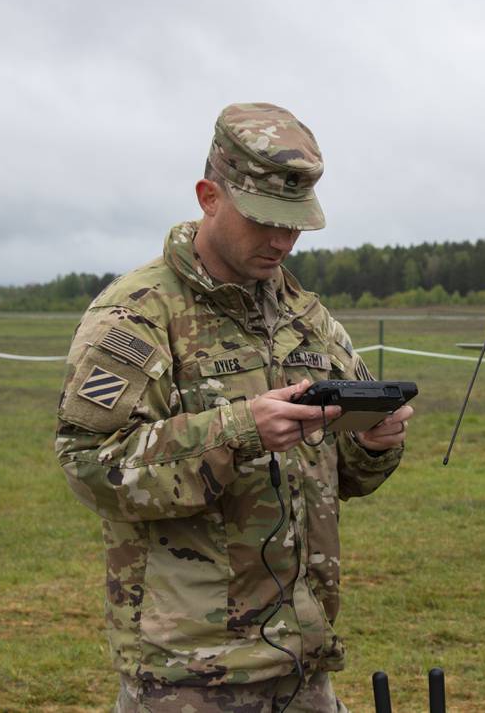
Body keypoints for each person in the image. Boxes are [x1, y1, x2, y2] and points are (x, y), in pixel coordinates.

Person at [54, 102, 412, 713]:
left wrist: (374, 443)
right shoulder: (138, 314)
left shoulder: (307, 317)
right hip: (190, 672)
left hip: (303, 660)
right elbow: (91, 469)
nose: (281, 240)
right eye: (263, 220)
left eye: (295, 224)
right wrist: (239, 429)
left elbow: (343, 475)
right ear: (208, 196)